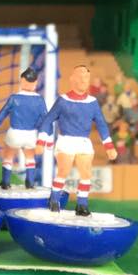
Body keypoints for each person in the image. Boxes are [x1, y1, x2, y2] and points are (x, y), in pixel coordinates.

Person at [36, 65, 117, 215]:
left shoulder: (92, 102)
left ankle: (82, 204)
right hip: (66, 141)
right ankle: (54, 200)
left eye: (86, 77)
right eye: (79, 76)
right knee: (63, 171)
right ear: (72, 79)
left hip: (84, 142)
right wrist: (41, 141)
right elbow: (48, 120)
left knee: (86, 174)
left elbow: (101, 124)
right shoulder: (63, 100)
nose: (83, 80)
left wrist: (109, 146)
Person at [0, 67, 47, 190]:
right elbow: (46, 120)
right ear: (35, 83)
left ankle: (5, 182)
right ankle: (30, 183)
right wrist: (45, 140)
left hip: (14, 133)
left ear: (21, 81)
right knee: (30, 158)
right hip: (31, 134)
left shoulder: (14, 98)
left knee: (8, 157)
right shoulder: (40, 100)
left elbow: (0, 116)